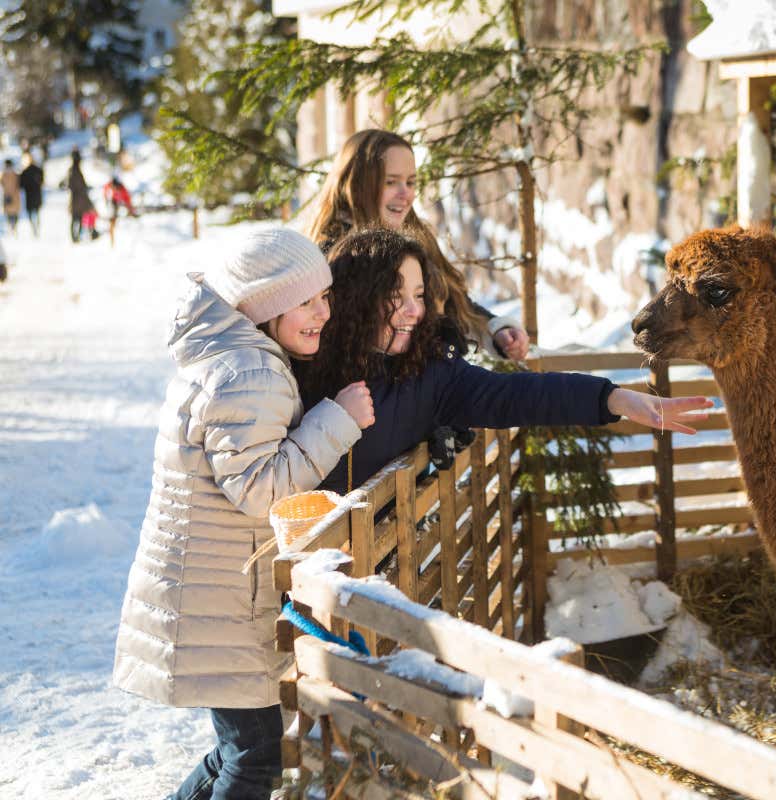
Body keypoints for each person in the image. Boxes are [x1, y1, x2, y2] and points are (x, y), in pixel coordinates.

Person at [112, 228, 376, 800]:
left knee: (241, 750)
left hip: (215, 591)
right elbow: (259, 490)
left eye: (323, 297)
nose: (322, 313)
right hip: (220, 596)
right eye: (305, 301)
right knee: (254, 758)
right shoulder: (248, 374)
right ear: (265, 306)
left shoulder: (236, 361)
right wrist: (337, 419)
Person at [297, 228, 711, 492]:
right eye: (395, 295)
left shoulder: (431, 375)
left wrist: (615, 399)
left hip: (375, 571)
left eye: (419, 295)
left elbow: (519, 394)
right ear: (357, 299)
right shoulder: (303, 365)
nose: (413, 310)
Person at [305, 129, 530, 360]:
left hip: (439, 379)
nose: (405, 194)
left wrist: (495, 329)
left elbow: (454, 302)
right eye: (391, 182)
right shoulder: (334, 255)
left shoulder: (416, 237)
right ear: (358, 185)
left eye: (411, 182)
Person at [66, 149, 99, 242]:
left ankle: (76, 237)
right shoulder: (75, 171)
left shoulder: (73, 170)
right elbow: (76, 186)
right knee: (77, 218)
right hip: (78, 199)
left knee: (77, 219)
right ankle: (75, 237)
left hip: (76, 199)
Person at [18, 153, 43, 237]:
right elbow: (42, 181)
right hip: (37, 194)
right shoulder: (38, 170)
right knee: (36, 211)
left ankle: (33, 227)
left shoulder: (25, 172)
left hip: (29, 195)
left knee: (30, 212)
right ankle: (36, 227)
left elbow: (21, 185)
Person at [1, 159, 19, 234]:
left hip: (7, 195)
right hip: (14, 196)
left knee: (9, 212)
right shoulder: (15, 174)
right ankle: (13, 226)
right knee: (14, 212)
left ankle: (11, 227)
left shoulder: (3, 174)